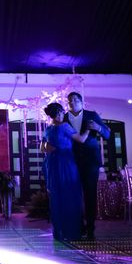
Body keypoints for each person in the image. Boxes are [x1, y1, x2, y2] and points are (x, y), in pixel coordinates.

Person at [41, 102, 90, 241]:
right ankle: (72, 231)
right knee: (70, 195)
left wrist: (50, 147)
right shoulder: (64, 126)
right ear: (58, 114)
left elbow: (42, 148)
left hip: (52, 163)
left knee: (56, 197)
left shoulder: (48, 129)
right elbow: (81, 139)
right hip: (66, 163)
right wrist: (88, 129)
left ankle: (59, 232)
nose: (63, 115)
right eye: (62, 112)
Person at [64, 92, 110, 240]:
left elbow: (108, 135)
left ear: (81, 101)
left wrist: (98, 127)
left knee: (90, 194)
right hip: (71, 161)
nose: (72, 102)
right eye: (70, 100)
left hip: (90, 161)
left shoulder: (92, 115)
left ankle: (90, 228)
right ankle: (78, 227)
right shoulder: (64, 118)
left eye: (75, 99)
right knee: (74, 195)